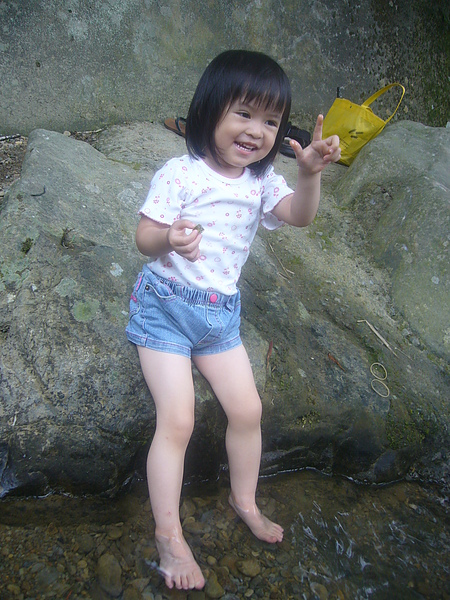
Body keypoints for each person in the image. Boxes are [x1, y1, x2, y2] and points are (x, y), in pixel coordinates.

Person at [126, 49, 341, 591]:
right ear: (210, 109)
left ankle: (244, 500)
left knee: (248, 410)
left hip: (219, 317)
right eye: (243, 113)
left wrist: (308, 174)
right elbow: (144, 237)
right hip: (165, 309)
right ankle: (169, 535)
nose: (256, 131)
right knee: (178, 420)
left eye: (270, 121)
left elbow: (300, 216)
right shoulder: (181, 173)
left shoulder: (261, 181)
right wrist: (168, 238)